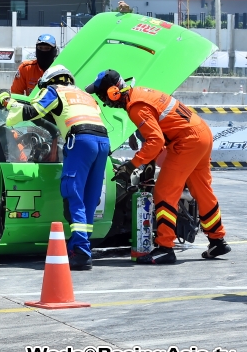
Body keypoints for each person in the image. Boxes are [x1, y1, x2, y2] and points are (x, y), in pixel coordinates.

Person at [85, 70, 230, 265]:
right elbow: (159, 137)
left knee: (164, 193)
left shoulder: (136, 106)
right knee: (202, 190)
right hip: (201, 134)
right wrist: (148, 164)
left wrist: (131, 166)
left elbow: (155, 141)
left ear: (113, 92)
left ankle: (165, 248)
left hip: (186, 141)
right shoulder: (140, 94)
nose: (104, 101)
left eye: (103, 96)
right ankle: (217, 240)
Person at [0, 65, 109, 270]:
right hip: (102, 142)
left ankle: (81, 251)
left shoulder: (53, 90)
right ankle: (81, 246)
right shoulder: (84, 95)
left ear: (48, 81)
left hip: (81, 140)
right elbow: (54, 118)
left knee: (72, 192)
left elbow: (32, 111)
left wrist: (6, 99)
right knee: (90, 196)